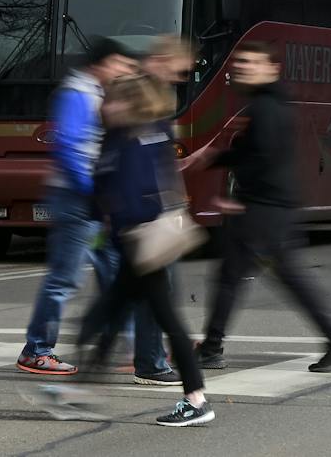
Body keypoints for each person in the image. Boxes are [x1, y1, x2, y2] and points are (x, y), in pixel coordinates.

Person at [184, 41, 331, 373]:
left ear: (272, 69)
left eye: (252, 62)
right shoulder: (267, 103)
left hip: (264, 209)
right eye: (241, 62)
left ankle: (213, 346)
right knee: (261, 276)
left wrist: (235, 199)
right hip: (273, 207)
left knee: (238, 277)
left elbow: (263, 158)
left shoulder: (265, 108)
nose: (243, 67)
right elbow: (251, 152)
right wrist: (213, 157)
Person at [73, 73, 214, 426]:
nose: (107, 105)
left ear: (130, 104)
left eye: (114, 99)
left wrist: (115, 221)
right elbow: (101, 191)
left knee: (150, 316)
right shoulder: (133, 135)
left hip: (145, 244)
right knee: (114, 310)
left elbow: (130, 195)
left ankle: (195, 399)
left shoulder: (135, 139)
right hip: (136, 243)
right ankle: (82, 389)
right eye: (107, 99)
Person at [16, 38, 136, 376]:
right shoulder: (76, 93)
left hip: (95, 202)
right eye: (120, 64)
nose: (124, 71)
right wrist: (93, 191)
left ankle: (135, 348)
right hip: (76, 201)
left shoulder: (97, 93)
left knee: (116, 273)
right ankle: (36, 349)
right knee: (64, 279)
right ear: (102, 64)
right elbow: (67, 148)